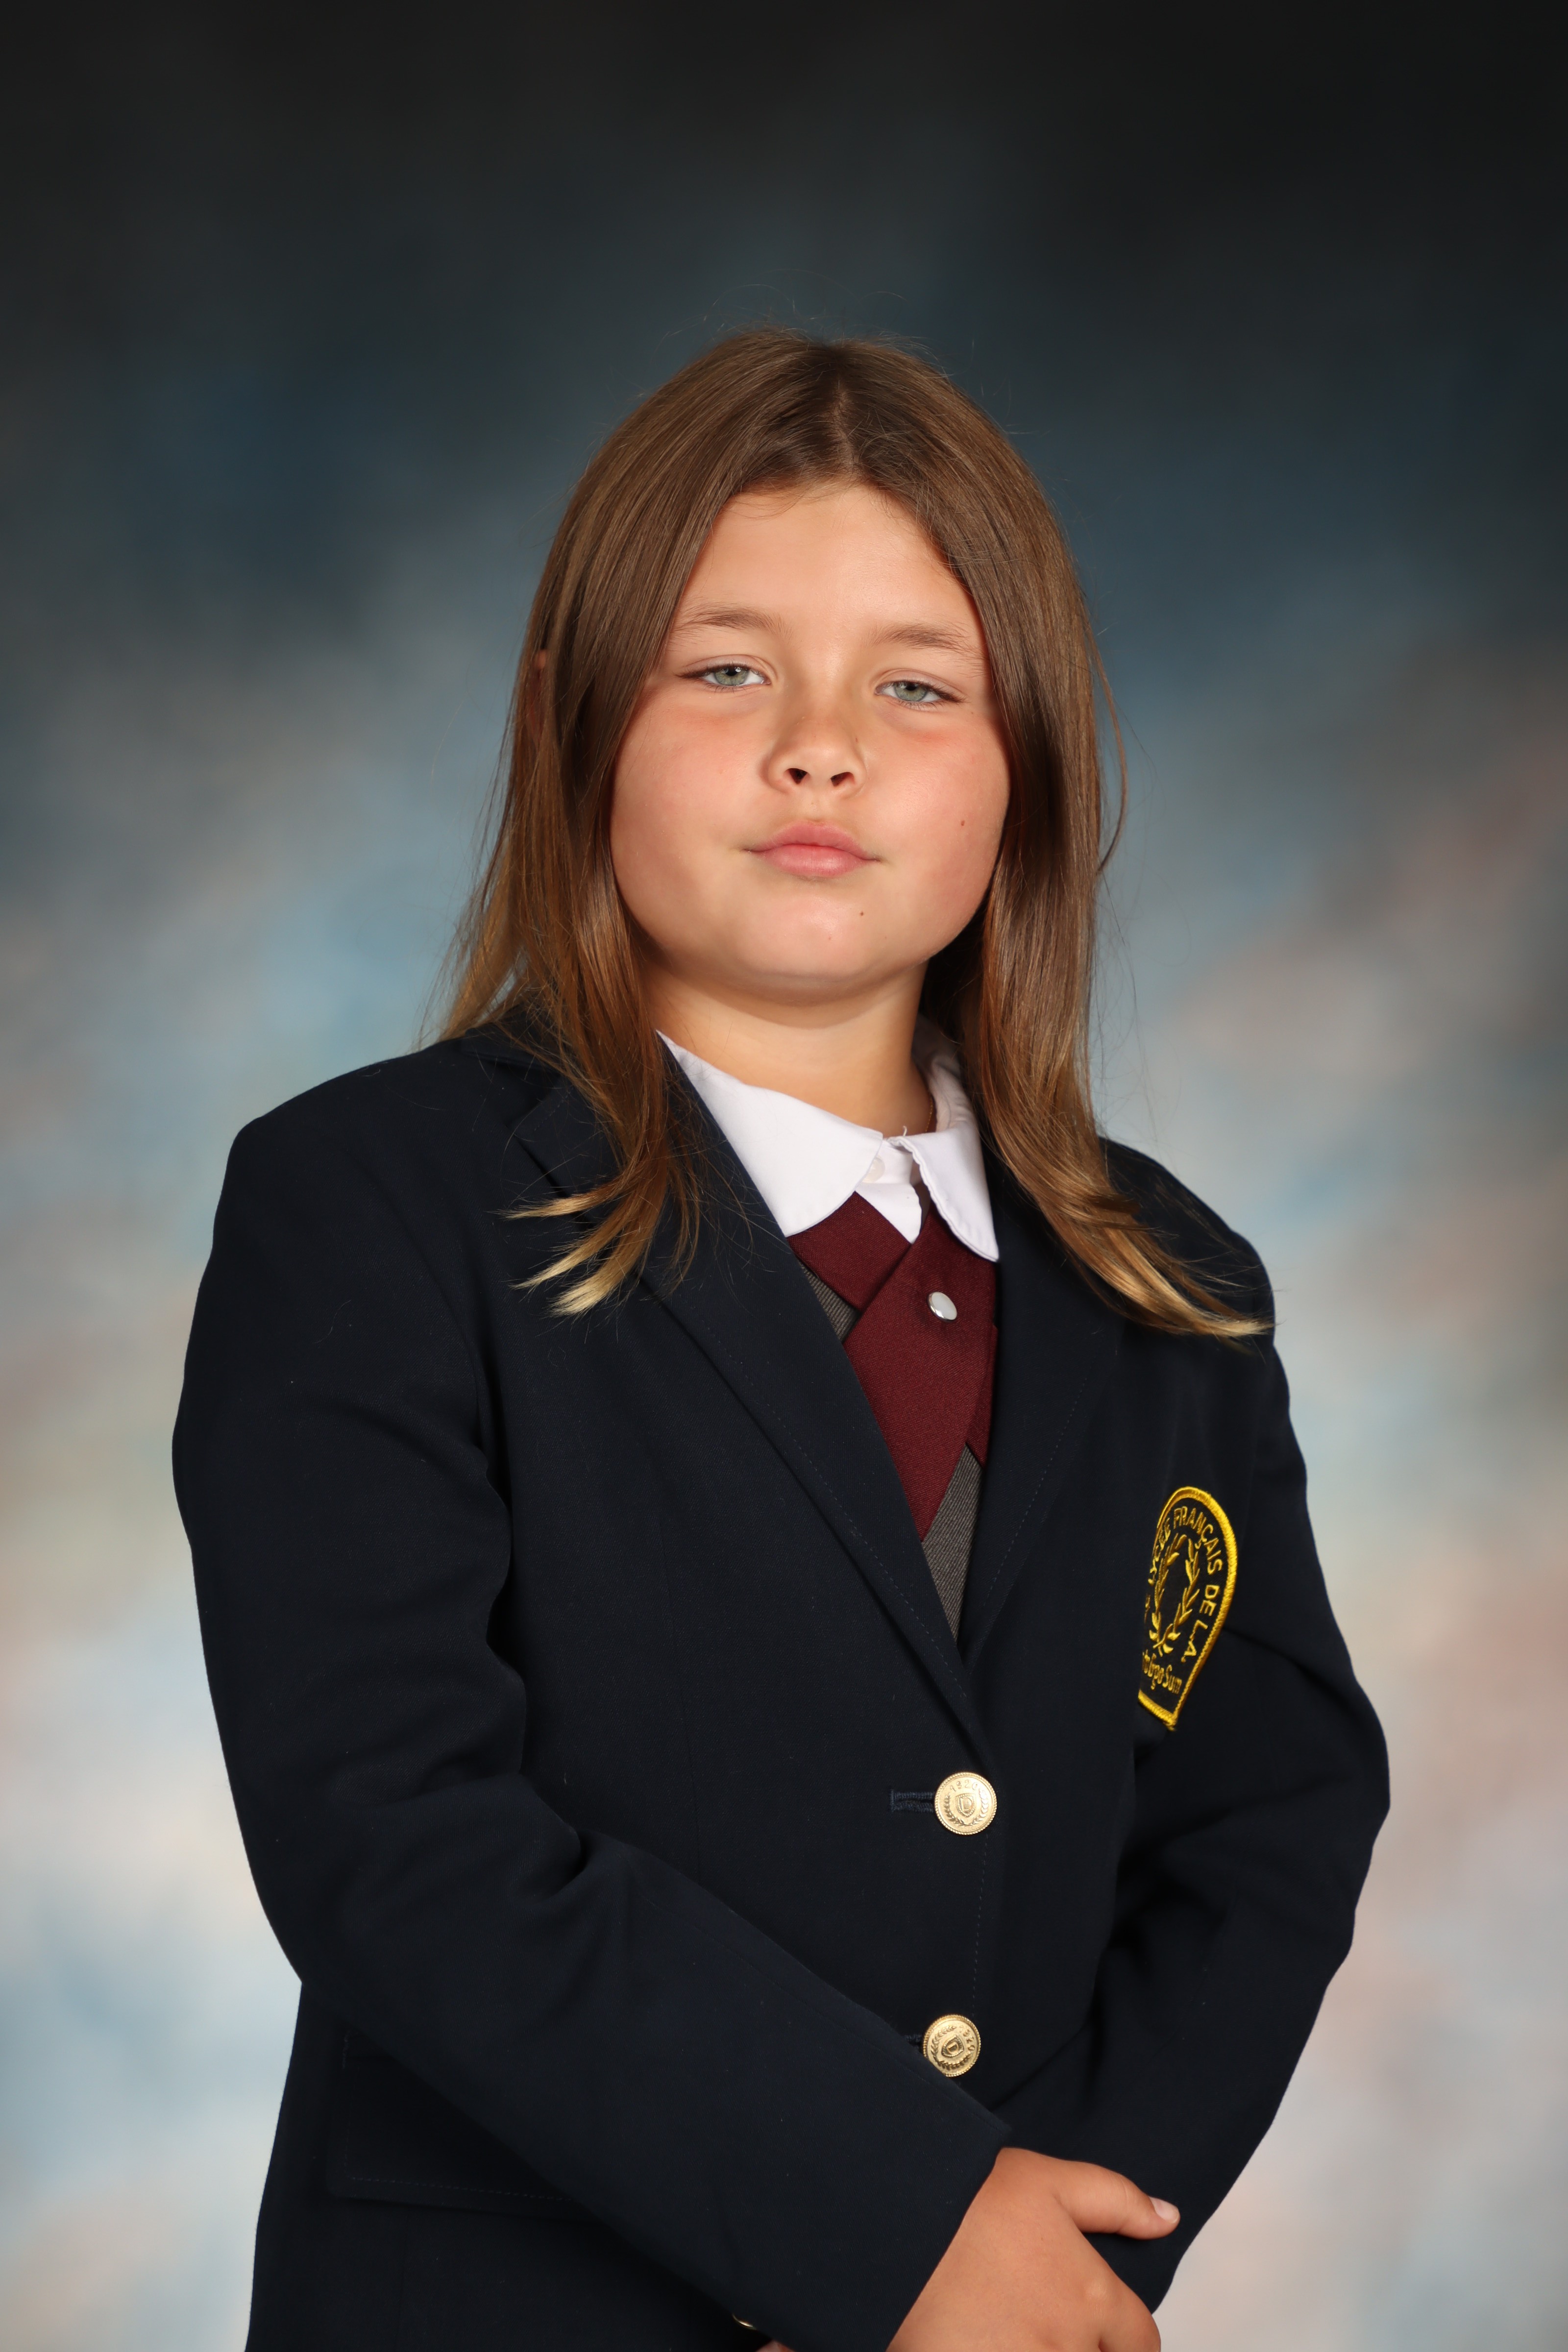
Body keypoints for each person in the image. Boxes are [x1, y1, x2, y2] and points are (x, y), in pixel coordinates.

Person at [173, 330, 1388, 2352]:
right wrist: (892, 2225)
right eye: (726, 669)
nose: (820, 750)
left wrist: (1052, 2254)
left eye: (916, 686)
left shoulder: (1170, 1287)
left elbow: (1267, 1821)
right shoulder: (370, 1205)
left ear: (1022, 769)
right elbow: (391, 1826)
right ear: (567, 724)